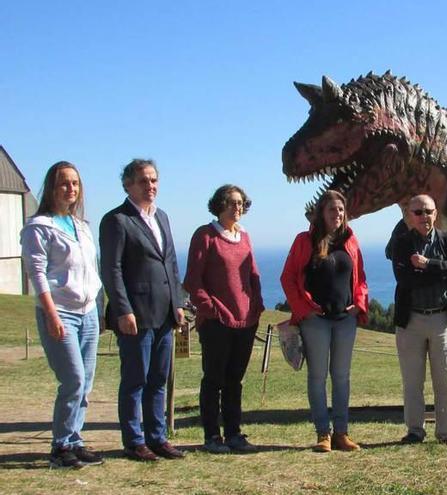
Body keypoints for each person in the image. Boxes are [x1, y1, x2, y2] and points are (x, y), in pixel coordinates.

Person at [99, 159, 186, 462]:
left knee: (158, 379)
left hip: (164, 312)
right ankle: (134, 441)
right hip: (135, 315)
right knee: (135, 379)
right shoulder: (117, 220)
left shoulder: (161, 217)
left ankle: (157, 437)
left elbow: (171, 263)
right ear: (127, 185)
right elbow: (112, 269)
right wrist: (123, 310)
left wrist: (178, 304)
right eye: (142, 181)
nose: (150, 186)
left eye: (153, 180)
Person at [20, 161, 104, 469]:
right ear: (52, 188)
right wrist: (52, 314)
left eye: (75, 184)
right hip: (61, 312)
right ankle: (60, 446)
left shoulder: (81, 226)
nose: (71, 189)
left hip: (89, 312)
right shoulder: (39, 227)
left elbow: (92, 270)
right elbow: (37, 274)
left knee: (87, 382)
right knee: (73, 379)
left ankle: (74, 439)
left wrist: (100, 306)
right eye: (64, 183)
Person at [280, 190, 368, 453]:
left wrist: (359, 304)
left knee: (341, 377)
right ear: (321, 213)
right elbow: (288, 278)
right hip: (315, 320)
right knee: (317, 377)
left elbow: (360, 278)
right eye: (332, 210)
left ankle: (341, 433)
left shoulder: (350, 242)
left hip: (344, 320)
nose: (337, 214)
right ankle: (323, 434)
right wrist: (303, 309)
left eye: (341, 210)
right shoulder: (304, 241)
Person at [183, 184, 264, 454]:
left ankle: (234, 433)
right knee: (214, 379)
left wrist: (256, 307)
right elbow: (193, 281)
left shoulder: (245, 237)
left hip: (245, 321)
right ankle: (211, 437)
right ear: (219, 205)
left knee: (235, 380)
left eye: (241, 203)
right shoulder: (205, 236)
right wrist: (211, 309)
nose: (237, 207)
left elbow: (253, 275)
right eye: (231, 202)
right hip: (216, 321)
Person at [390, 194, 447, 447]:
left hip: (442, 320)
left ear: (436, 214)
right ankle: (415, 431)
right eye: (418, 212)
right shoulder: (401, 244)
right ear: (409, 216)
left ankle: (446, 432)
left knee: (446, 382)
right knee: (412, 382)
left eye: (428, 211)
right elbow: (405, 279)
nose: (424, 216)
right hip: (411, 320)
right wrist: (443, 270)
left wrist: (428, 265)